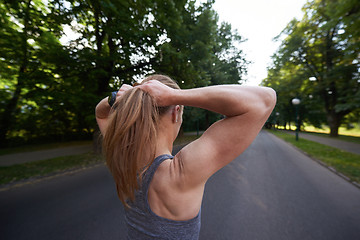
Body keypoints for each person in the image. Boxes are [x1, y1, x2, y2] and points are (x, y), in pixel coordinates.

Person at [95, 74, 276, 239]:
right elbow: (264, 100)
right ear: (176, 112)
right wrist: (173, 96)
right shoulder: (178, 173)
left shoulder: (124, 157)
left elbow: (100, 114)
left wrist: (117, 97)